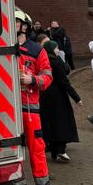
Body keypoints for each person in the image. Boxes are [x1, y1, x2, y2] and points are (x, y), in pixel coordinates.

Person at [16, 11, 53, 185]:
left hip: (30, 110)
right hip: (9, 110)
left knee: (36, 150)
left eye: (15, 22)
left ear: (24, 26)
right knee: (14, 150)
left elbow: (48, 77)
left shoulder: (36, 50)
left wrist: (33, 80)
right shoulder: (4, 48)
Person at [36, 32, 82, 162]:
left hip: (45, 95)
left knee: (50, 122)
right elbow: (64, 82)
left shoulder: (44, 61)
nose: (58, 50)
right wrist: (77, 97)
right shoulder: (56, 63)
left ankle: (54, 151)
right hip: (58, 97)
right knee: (61, 121)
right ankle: (61, 150)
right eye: (56, 48)